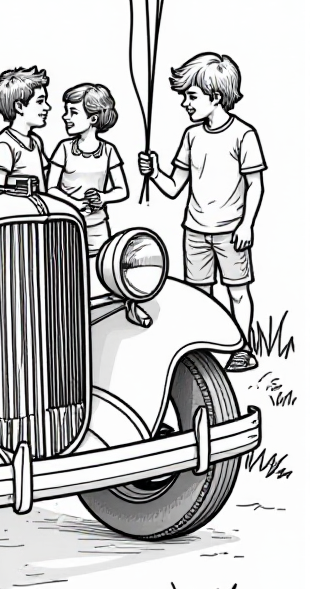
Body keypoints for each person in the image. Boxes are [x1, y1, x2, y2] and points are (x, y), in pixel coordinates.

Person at [138, 53, 265, 372]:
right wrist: (153, 172)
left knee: (237, 292)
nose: (185, 103)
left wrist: (247, 225)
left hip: (231, 231)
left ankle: (243, 348)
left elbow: (255, 185)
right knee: (200, 295)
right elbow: (174, 187)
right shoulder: (191, 136)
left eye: (191, 96)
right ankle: (206, 353)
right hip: (194, 229)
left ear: (216, 97)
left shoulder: (244, 135)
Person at [47, 83, 129, 257]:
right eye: (66, 111)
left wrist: (103, 197)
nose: (65, 117)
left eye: (73, 112)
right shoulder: (64, 148)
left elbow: (122, 190)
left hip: (98, 227)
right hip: (66, 224)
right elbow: (51, 188)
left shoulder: (109, 151)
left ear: (93, 119)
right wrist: (74, 204)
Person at [0, 66, 51, 191]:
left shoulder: (36, 142)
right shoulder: (4, 145)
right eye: (40, 102)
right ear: (20, 106)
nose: (47, 107)